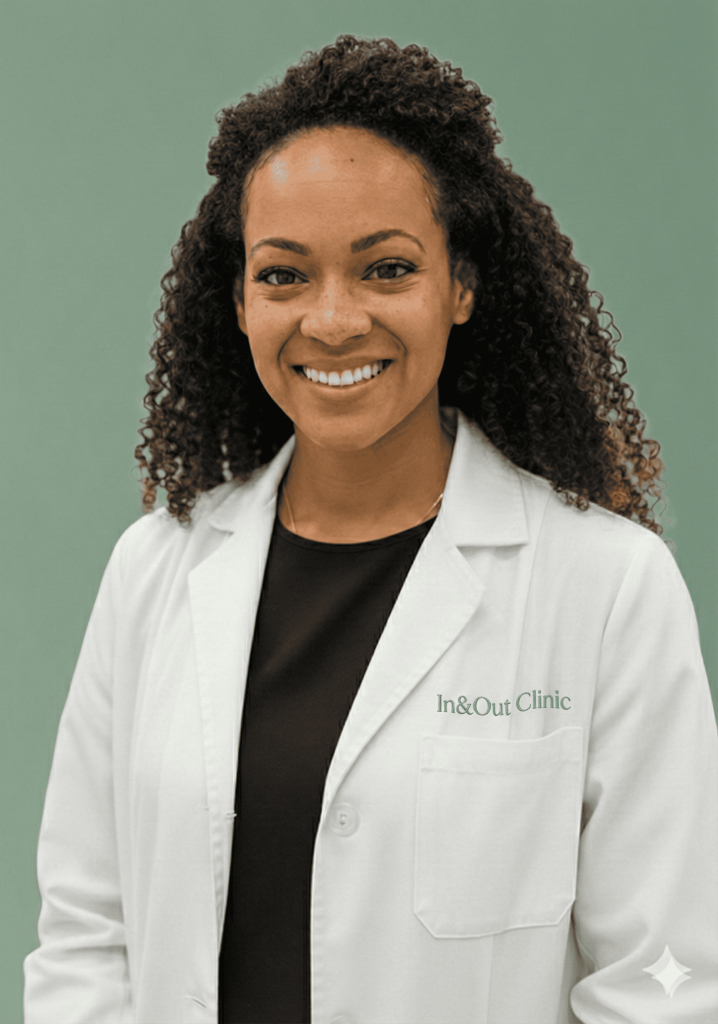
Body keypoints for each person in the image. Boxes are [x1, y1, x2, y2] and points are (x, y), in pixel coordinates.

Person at [24, 34, 717, 1024]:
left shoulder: (607, 588)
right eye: (284, 276)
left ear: (461, 285)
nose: (333, 320)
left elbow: (665, 980)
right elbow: (87, 937)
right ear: (239, 300)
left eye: (386, 269)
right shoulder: (153, 572)